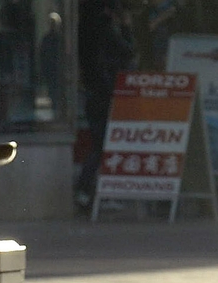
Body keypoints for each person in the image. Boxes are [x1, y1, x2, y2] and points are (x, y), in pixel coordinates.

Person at [76, 0, 136, 210]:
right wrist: (126, 27)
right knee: (103, 144)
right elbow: (128, 51)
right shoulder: (106, 30)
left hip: (97, 93)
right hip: (105, 94)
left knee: (101, 144)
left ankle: (88, 191)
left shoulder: (90, 30)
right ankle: (86, 190)